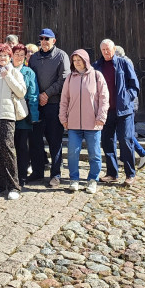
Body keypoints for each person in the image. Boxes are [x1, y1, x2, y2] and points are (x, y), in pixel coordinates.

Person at [59, 50, 109, 194]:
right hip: (73, 124)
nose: (77, 63)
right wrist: (63, 118)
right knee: (73, 153)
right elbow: (64, 100)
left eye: (79, 60)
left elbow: (104, 99)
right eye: (74, 60)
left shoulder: (97, 76)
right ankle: (74, 179)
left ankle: (92, 180)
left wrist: (101, 117)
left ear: (86, 60)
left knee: (94, 153)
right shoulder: (70, 78)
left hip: (93, 123)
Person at [93, 38, 140, 186]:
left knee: (126, 140)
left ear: (114, 49)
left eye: (108, 49)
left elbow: (134, 85)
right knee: (107, 142)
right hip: (106, 111)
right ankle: (112, 173)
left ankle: (130, 174)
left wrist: (127, 98)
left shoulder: (123, 63)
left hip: (124, 110)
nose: (106, 52)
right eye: (103, 50)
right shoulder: (97, 66)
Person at [0, 43, 26, 200]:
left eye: (5, 56)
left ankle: (14, 185)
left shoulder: (15, 73)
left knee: (8, 148)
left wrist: (7, 76)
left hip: (7, 115)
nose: (2, 58)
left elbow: (21, 92)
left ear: (9, 57)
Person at [28, 28, 70, 187]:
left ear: (54, 41)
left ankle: (56, 174)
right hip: (37, 106)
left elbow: (64, 78)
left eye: (47, 39)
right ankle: (38, 172)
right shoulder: (34, 58)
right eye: (42, 38)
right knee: (36, 140)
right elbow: (30, 78)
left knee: (55, 141)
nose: (44, 41)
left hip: (54, 104)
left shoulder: (61, 56)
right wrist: (38, 95)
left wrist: (47, 94)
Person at [115, 45, 145, 169]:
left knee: (125, 134)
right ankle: (123, 159)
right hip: (127, 103)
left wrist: (126, 99)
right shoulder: (126, 61)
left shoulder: (124, 63)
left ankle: (142, 153)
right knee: (123, 133)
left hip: (127, 104)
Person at [11, 43, 39, 187]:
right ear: (12, 55)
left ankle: (21, 177)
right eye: (17, 54)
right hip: (7, 114)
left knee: (22, 147)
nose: (20, 57)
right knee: (8, 147)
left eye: (22, 55)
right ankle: (8, 175)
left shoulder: (29, 72)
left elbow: (33, 94)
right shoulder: (6, 70)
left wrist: (33, 115)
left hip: (23, 115)